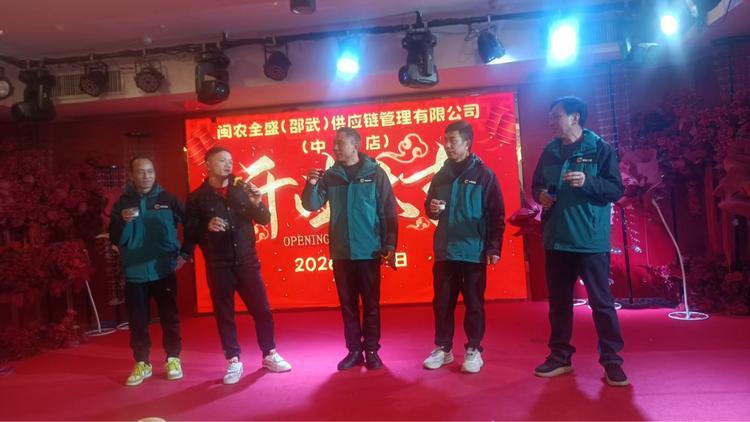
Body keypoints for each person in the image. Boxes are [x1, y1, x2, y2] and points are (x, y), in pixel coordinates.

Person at [531, 96, 628, 387]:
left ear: (575, 117)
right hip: (556, 240)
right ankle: (560, 357)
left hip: (589, 242)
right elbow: (536, 185)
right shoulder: (549, 151)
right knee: (559, 305)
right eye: (550, 116)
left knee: (602, 304)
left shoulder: (600, 149)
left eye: (556, 116)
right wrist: (540, 196)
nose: (551, 121)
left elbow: (615, 189)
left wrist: (587, 182)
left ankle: (612, 361)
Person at [182, 146, 291, 385]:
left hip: (246, 261)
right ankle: (233, 359)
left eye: (230, 160)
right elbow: (189, 232)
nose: (228, 165)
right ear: (207, 165)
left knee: (262, 309)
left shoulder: (242, 189)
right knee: (225, 314)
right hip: (218, 263)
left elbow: (264, 219)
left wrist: (257, 202)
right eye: (222, 160)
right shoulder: (197, 197)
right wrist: (206, 226)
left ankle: (269, 353)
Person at [302, 127, 398, 371]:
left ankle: (372, 350)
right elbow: (311, 204)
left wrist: (389, 244)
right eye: (334, 144)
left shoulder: (375, 173)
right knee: (348, 305)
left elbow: (388, 211)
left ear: (356, 145)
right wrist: (311, 184)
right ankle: (354, 350)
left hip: (369, 250)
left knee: (371, 304)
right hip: (342, 251)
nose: (335, 148)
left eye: (340, 143)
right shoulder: (330, 176)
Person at [421, 121, 505, 374]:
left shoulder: (484, 175)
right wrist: (432, 209)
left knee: (474, 304)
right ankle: (443, 348)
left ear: (467, 143)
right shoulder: (441, 175)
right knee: (442, 303)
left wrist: (493, 248)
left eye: (453, 141)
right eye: (445, 140)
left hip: (472, 251)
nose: (447, 146)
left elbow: (496, 214)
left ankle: (474, 349)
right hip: (445, 250)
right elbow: (430, 209)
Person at [109, 157, 187, 386]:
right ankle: (142, 362)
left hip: (164, 270)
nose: (146, 176)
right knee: (137, 321)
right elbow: (114, 236)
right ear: (131, 175)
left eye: (150, 171)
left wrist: (185, 253)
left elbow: (192, 224)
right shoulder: (122, 203)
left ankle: (173, 358)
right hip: (134, 272)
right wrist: (123, 222)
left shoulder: (168, 200)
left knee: (169, 317)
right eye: (141, 172)